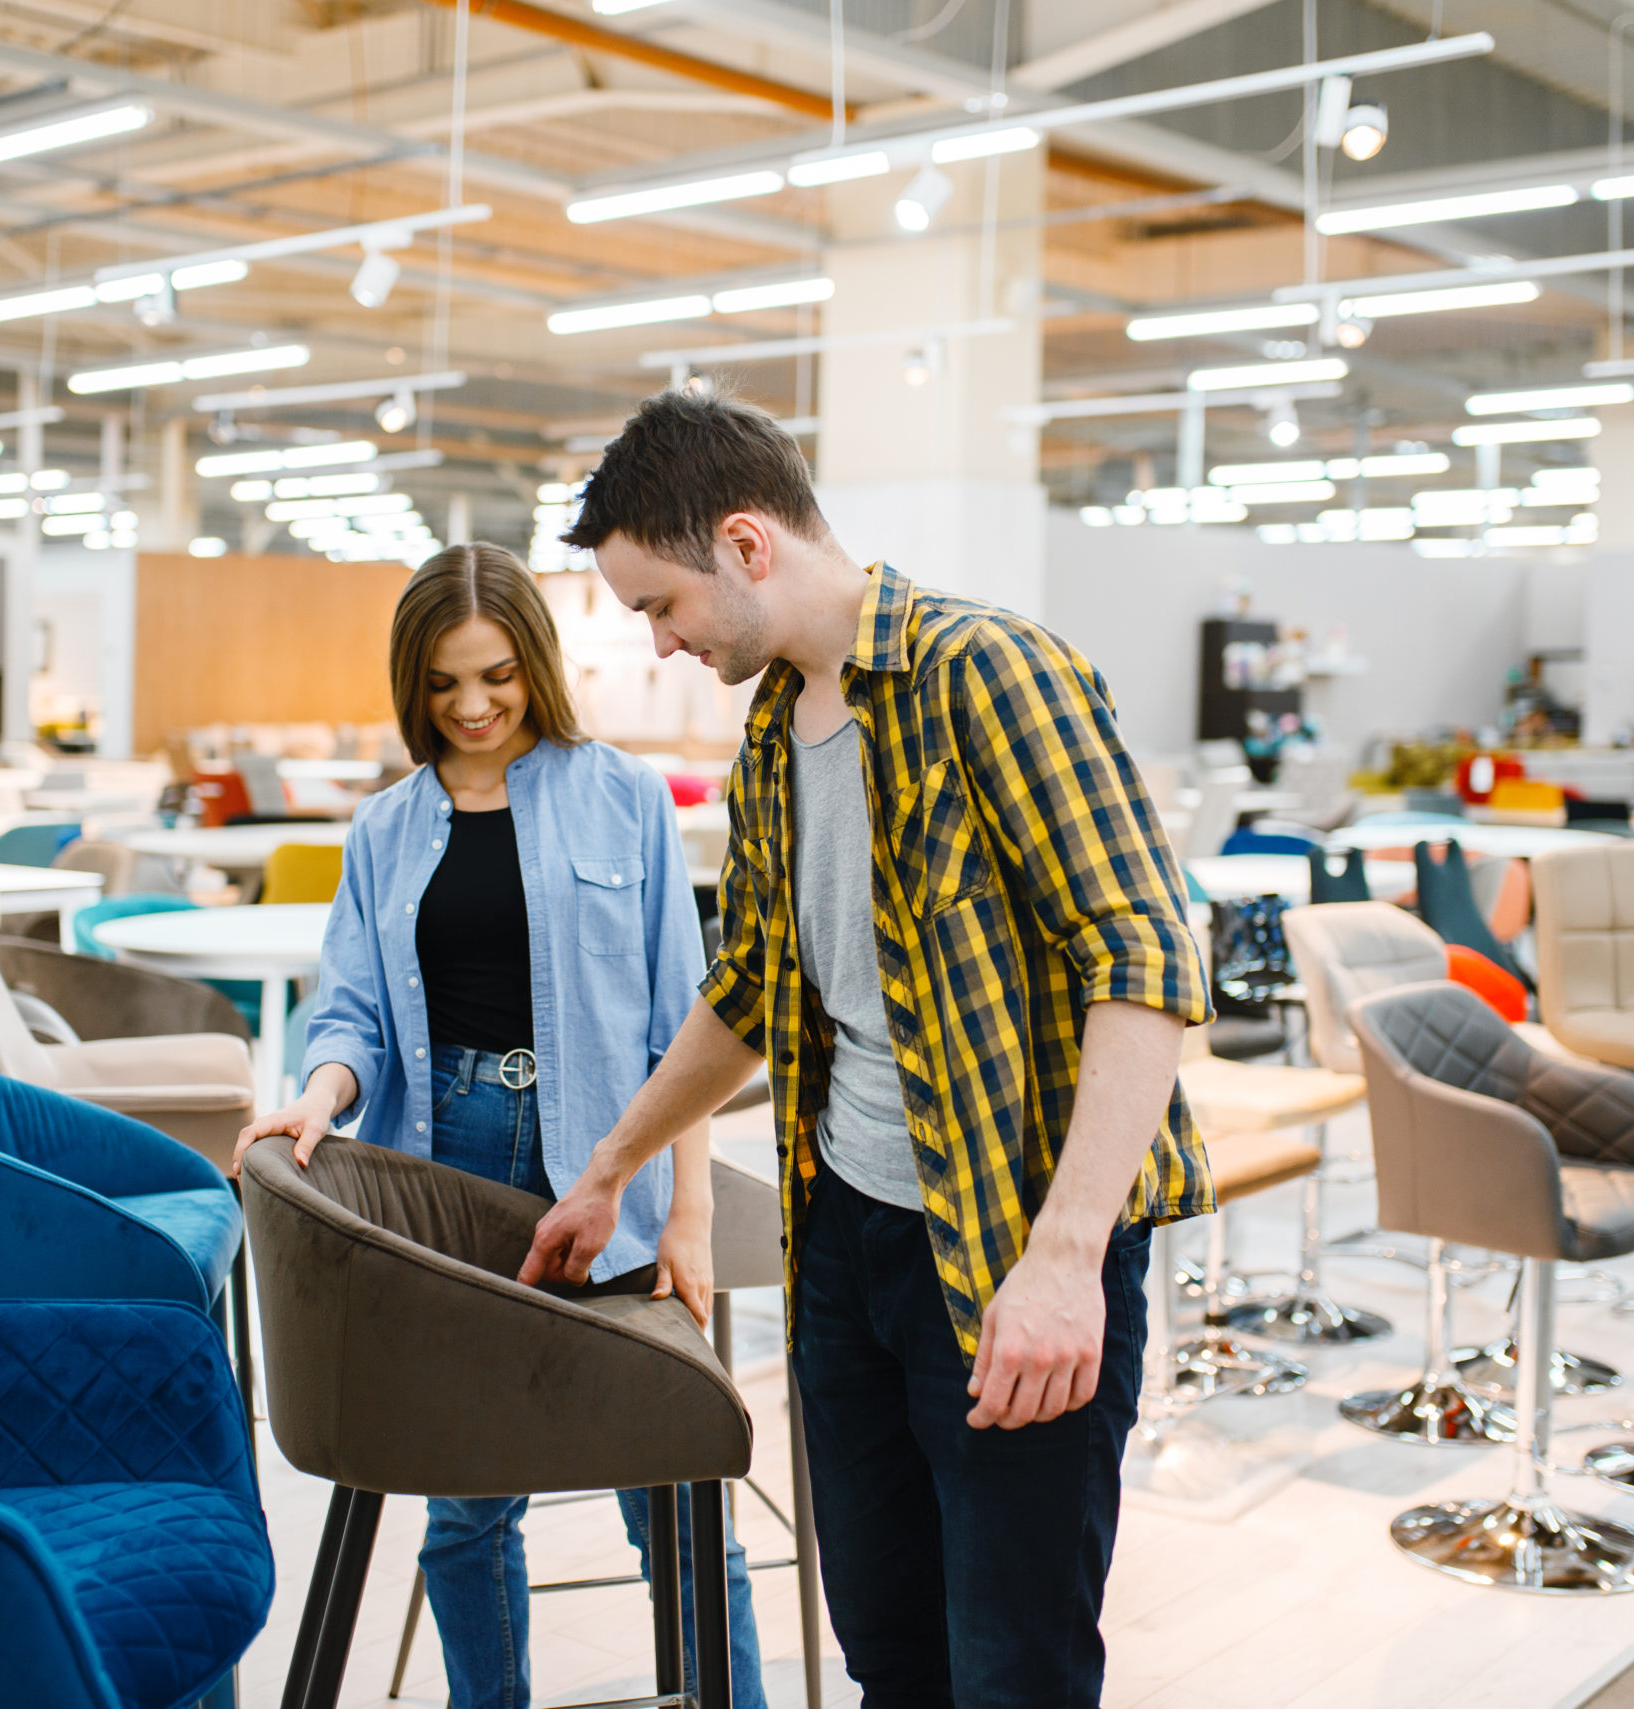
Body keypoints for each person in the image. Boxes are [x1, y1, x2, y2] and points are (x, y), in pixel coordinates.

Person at [519, 391, 1215, 1708]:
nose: (660, 645)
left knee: (1013, 1667)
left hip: (1009, 1245)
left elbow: (1144, 961)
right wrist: (613, 1164)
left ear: (745, 543)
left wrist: (1067, 1260)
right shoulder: (778, 728)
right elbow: (757, 991)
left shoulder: (990, 672)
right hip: (844, 1239)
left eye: (660, 605)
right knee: (888, 1650)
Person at [232, 543, 768, 1709]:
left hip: (609, 1169)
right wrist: (320, 1093)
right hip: (448, 1166)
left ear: (534, 662)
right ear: (411, 688)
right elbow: (353, 1012)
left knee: (677, 1501)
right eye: (442, 685)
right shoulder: (384, 828)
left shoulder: (621, 793)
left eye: (495, 676)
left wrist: (687, 1210)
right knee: (467, 1511)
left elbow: (685, 1021)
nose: (473, 706)